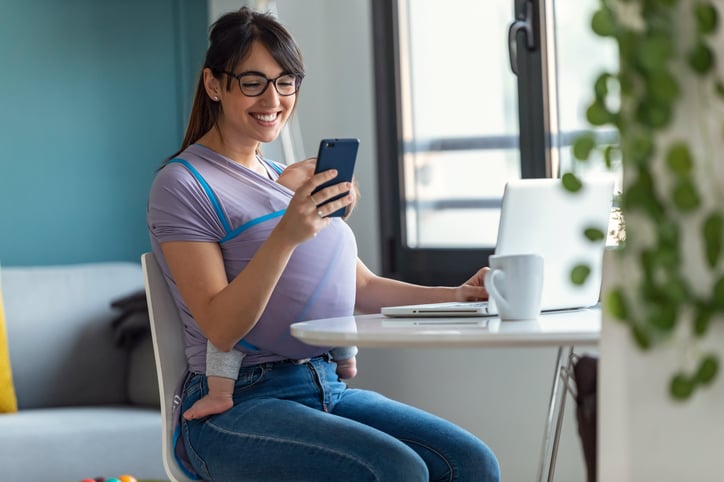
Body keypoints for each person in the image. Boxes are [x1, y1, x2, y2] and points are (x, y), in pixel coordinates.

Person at [147, 6, 500, 481]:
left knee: (471, 464)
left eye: (285, 81)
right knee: (394, 470)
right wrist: (286, 236)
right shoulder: (182, 184)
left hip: (322, 383)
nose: (273, 98)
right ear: (214, 84)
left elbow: (363, 288)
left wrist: (457, 295)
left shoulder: (282, 179)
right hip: (234, 406)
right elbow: (221, 327)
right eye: (252, 82)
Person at [184, 163, 359, 421]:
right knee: (229, 333)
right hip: (268, 332)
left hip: (314, 351)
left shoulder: (319, 229)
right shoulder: (275, 228)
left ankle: (220, 392)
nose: (286, 169)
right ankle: (347, 361)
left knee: (339, 315)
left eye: (304, 170)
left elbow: (359, 285)